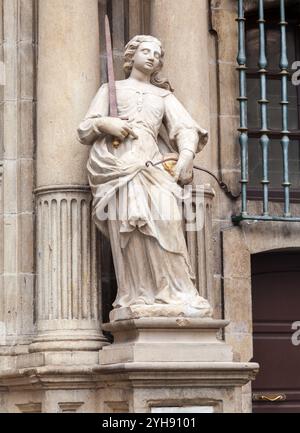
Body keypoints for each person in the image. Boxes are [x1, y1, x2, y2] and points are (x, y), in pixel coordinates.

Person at [77, 35, 212, 319]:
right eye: (146, 51)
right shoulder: (111, 89)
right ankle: (137, 295)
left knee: (169, 225)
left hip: (152, 166)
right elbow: (85, 129)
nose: (152, 57)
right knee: (131, 231)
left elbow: (185, 128)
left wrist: (186, 155)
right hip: (119, 168)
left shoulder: (163, 96)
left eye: (157, 54)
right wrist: (106, 123)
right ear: (131, 56)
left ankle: (177, 292)